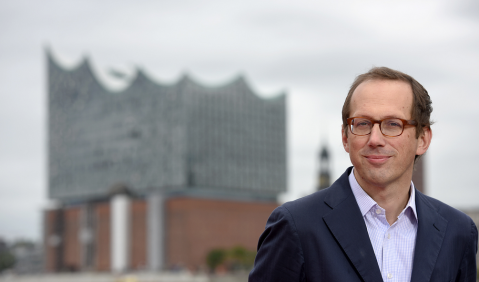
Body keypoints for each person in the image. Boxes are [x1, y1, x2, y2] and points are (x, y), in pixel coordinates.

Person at [249, 67, 478, 282]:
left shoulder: (458, 232)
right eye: (362, 124)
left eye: (392, 124)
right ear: (346, 138)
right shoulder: (296, 226)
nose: (375, 139)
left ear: (423, 139)